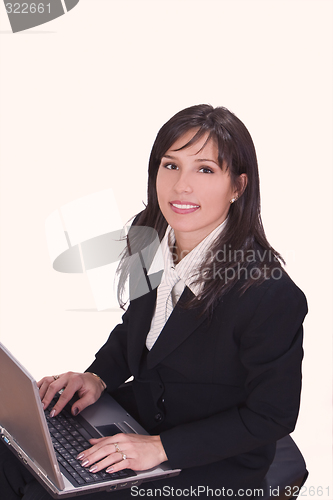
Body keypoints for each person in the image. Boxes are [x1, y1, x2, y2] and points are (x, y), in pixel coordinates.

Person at [0, 105, 308, 499]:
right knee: (14, 454)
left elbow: (272, 415)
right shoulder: (148, 236)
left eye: (205, 169)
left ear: (238, 186)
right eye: (171, 165)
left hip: (212, 458)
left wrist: (161, 448)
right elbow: (139, 328)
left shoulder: (269, 294)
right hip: (141, 417)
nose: (182, 186)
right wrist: (96, 377)